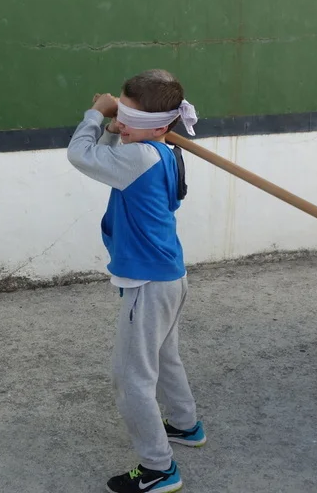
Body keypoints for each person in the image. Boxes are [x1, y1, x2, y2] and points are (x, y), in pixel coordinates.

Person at [67, 69, 205, 493]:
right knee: (164, 356)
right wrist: (117, 127)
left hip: (147, 284)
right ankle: (185, 424)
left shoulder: (138, 157)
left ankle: (159, 469)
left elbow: (80, 154)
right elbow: (111, 155)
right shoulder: (163, 152)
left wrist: (96, 114)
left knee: (131, 380)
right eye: (119, 114)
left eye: (129, 119)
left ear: (159, 126)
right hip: (170, 276)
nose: (120, 123)